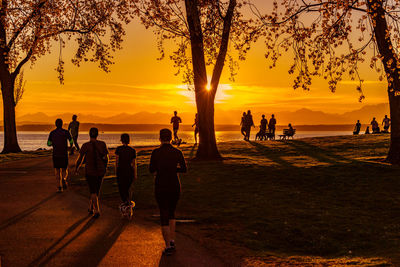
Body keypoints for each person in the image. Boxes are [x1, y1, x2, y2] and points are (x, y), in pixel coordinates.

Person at [149, 129, 187, 256]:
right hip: (174, 185)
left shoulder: (156, 153)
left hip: (161, 185)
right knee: (171, 212)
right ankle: (172, 239)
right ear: (171, 138)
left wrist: (160, 168)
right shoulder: (177, 152)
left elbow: (151, 169)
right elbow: (184, 169)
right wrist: (173, 168)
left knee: (163, 213)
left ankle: (167, 245)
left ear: (160, 138)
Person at [75, 128, 109, 218]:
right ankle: (91, 208)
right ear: (97, 135)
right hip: (100, 170)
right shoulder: (102, 144)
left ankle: (97, 210)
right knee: (96, 190)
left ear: (89, 134)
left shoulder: (85, 145)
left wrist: (76, 168)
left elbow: (80, 159)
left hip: (90, 171)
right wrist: (105, 167)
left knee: (93, 191)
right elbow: (106, 158)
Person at [47, 118, 73, 193]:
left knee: (57, 171)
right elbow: (71, 140)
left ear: (55, 124)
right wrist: (70, 147)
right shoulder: (66, 132)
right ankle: (64, 179)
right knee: (65, 169)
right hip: (64, 154)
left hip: (56, 154)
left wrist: (52, 144)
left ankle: (59, 187)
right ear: (62, 124)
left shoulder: (52, 133)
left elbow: (48, 144)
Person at [115, 134, 137, 218]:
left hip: (121, 171)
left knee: (122, 190)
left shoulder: (118, 149)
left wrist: (116, 172)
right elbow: (134, 164)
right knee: (128, 189)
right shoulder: (132, 150)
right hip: (129, 171)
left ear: (121, 140)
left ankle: (126, 207)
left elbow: (117, 162)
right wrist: (135, 174)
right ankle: (128, 208)